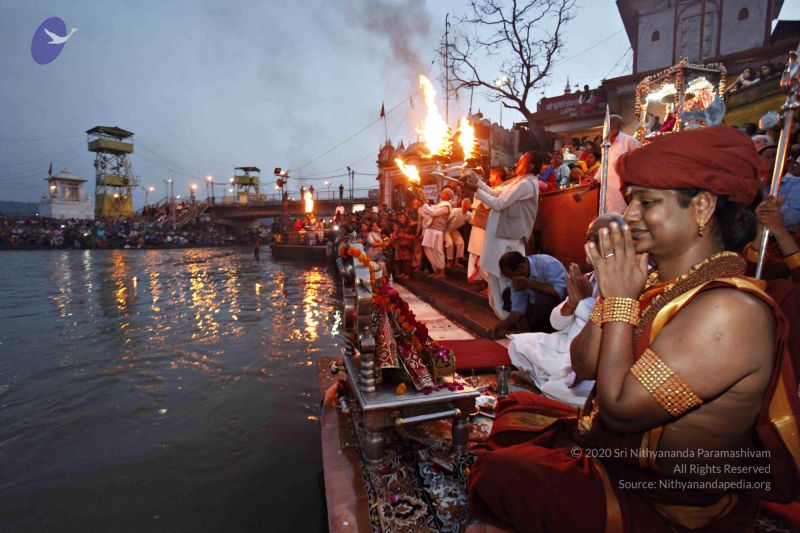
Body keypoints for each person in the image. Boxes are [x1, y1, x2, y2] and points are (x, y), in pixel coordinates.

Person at [469, 126, 800, 532]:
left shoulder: (731, 310)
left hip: (666, 500)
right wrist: (611, 295)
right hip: (621, 460)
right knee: (515, 415)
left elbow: (620, 410)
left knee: (501, 474)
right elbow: (583, 365)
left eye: (647, 201)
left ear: (702, 208)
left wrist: (621, 299)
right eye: (631, 201)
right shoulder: (660, 283)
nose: (628, 216)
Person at [508, 213, 623, 407]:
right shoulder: (588, 277)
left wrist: (585, 300)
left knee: (576, 388)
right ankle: (544, 380)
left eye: (597, 238)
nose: (589, 244)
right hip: (567, 344)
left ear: (619, 241)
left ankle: (542, 383)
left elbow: (608, 329)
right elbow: (556, 322)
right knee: (519, 345)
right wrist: (571, 303)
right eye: (588, 238)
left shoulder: (626, 279)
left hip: (595, 353)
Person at [469, 152, 540, 320]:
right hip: (500, 237)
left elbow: (499, 204)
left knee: (504, 277)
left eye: (520, 162)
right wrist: (476, 180)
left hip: (507, 239)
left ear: (531, 166)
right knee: (496, 276)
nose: (516, 164)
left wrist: (476, 190)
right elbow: (495, 194)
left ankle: (510, 318)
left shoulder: (527, 185)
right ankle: (505, 318)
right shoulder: (518, 182)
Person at [489, 251, 567, 339]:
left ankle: (544, 334)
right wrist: (501, 326)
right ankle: (526, 332)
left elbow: (560, 292)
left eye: (513, 276)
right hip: (535, 305)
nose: (513, 280)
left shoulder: (546, 263)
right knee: (507, 293)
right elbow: (518, 308)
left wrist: (531, 285)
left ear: (521, 267)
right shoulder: (517, 278)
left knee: (542, 299)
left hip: (560, 305)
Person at [596, 114, 640, 214]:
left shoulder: (629, 141)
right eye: (607, 125)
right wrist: (595, 179)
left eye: (611, 125)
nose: (609, 128)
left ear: (619, 126)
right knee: (609, 216)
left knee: (624, 215)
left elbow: (640, 161)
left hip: (623, 189)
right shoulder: (605, 144)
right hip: (608, 190)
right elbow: (603, 165)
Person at [419, 187, 453, 279]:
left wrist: (424, 204)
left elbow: (433, 212)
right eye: (442, 192)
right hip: (430, 229)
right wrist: (422, 202)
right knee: (428, 248)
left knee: (437, 251)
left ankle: (442, 271)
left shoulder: (446, 206)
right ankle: (437, 269)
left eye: (444, 193)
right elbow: (429, 212)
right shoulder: (439, 204)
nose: (441, 193)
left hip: (437, 231)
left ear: (448, 196)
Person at [445, 198, 469, 268]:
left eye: (467, 204)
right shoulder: (455, 211)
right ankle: (449, 262)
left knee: (461, 242)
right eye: (464, 203)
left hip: (454, 230)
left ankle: (456, 261)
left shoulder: (469, 214)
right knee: (450, 244)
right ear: (462, 204)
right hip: (446, 229)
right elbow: (447, 220)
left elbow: (473, 222)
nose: (465, 205)